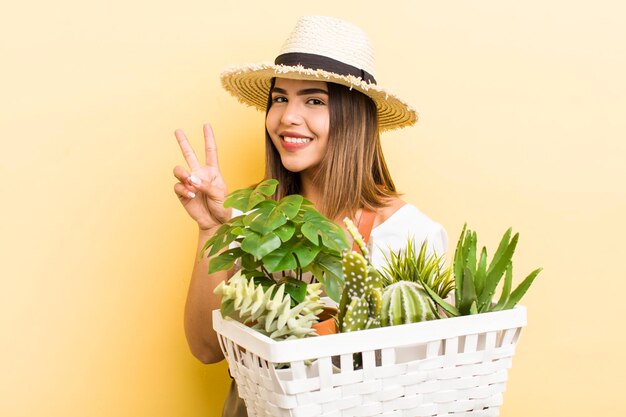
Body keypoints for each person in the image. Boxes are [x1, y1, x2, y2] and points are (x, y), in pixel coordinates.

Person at [172, 15, 448, 417]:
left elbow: (414, 389)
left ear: (354, 117)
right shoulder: (250, 216)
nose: (287, 117)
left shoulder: (407, 234)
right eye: (280, 98)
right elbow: (205, 348)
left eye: (314, 100)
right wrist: (212, 227)